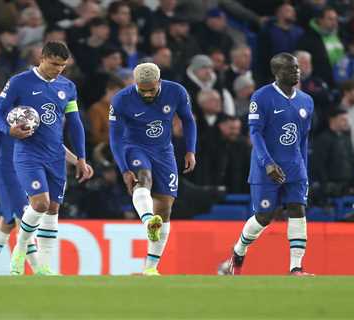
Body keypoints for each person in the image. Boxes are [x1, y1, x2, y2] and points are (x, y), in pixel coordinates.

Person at [0, 41, 91, 275]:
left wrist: (81, 158)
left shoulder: (68, 87)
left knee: (53, 209)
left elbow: (75, 124)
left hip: (55, 156)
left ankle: (44, 267)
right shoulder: (19, 82)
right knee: (40, 204)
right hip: (28, 153)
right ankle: (20, 249)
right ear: (42, 58)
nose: (58, 69)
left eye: (63, 66)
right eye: (54, 64)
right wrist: (8, 130)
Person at [0, 115, 93, 275]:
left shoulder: (34, 111)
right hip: (8, 172)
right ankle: (38, 269)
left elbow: (53, 144)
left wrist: (77, 161)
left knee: (8, 221)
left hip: (28, 171)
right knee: (23, 217)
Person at [219, 53, 314, 276]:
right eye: (290, 69)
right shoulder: (261, 97)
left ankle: (296, 268)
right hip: (265, 168)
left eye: (297, 68)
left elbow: (303, 138)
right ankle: (238, 251)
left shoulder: (306, 101)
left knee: (298, 210)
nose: (296, 72)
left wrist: (304, 169)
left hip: (295, 167)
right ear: (277, 73)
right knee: (264, 216)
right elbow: (255, 133)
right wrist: (268, 164)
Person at [109, 62, 197, 275]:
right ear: (135, 83)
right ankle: (148, 220)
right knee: (144, 177)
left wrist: (190, 150)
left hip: (164, 151)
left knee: (165, 208)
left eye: (151, 89)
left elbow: (188, 120)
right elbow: (115, 138)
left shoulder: (176, 91)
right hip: (134, 147)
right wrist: (123, 169)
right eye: (142, 90)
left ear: (159, 81)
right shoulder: (121, 99)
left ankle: (150, 269)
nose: (147, 94)